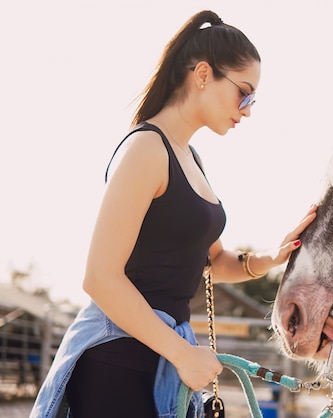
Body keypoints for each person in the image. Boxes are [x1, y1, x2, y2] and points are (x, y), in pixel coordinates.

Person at [30, 10, 316, 418]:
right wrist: (183, 353)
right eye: (244, 94)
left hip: (158, 365)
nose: (248, 110)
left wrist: (273, 257)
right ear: (203, 74)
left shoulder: (190, 158)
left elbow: (213, 260)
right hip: (117, 365)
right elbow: (100, 278)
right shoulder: (146, 149)